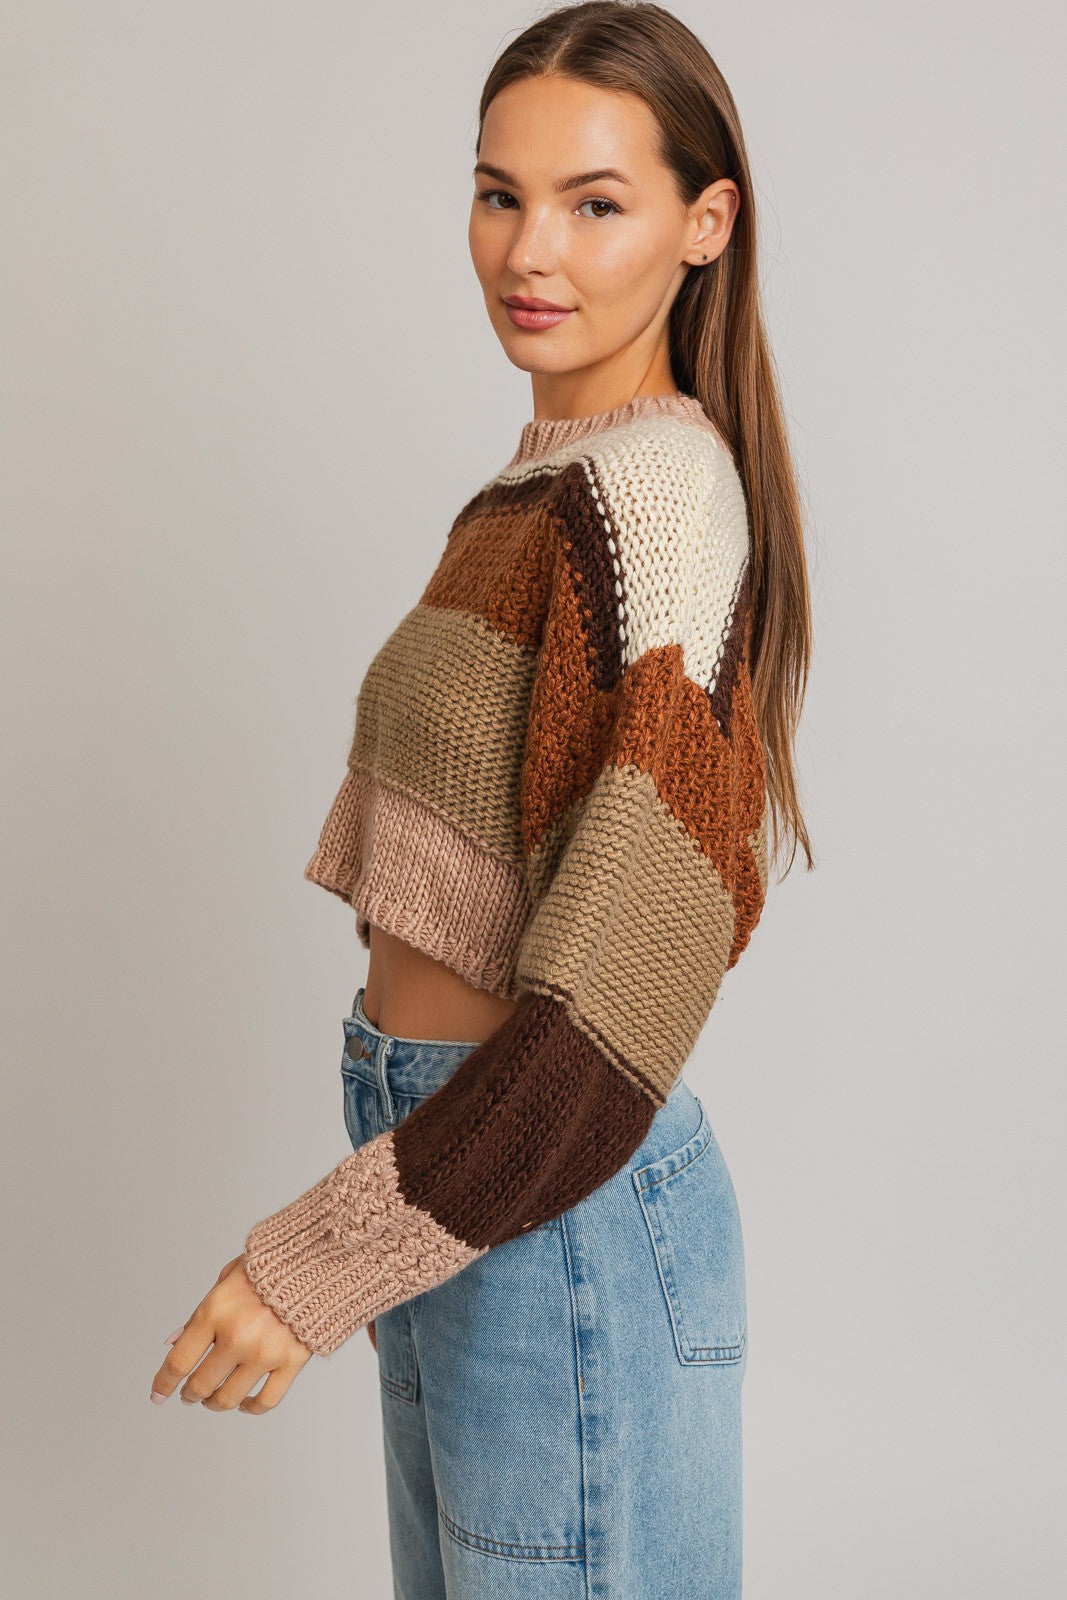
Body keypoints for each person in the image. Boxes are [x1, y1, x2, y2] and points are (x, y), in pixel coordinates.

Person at [149, 3, 814, 1594]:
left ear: (705, 223)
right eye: (499, 193)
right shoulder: (540, 486)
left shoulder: (655, 499)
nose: (530, 250)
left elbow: (616, 1015)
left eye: (596, 203)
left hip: (547, 1195)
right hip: (469, 1179)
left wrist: (314, 1264)